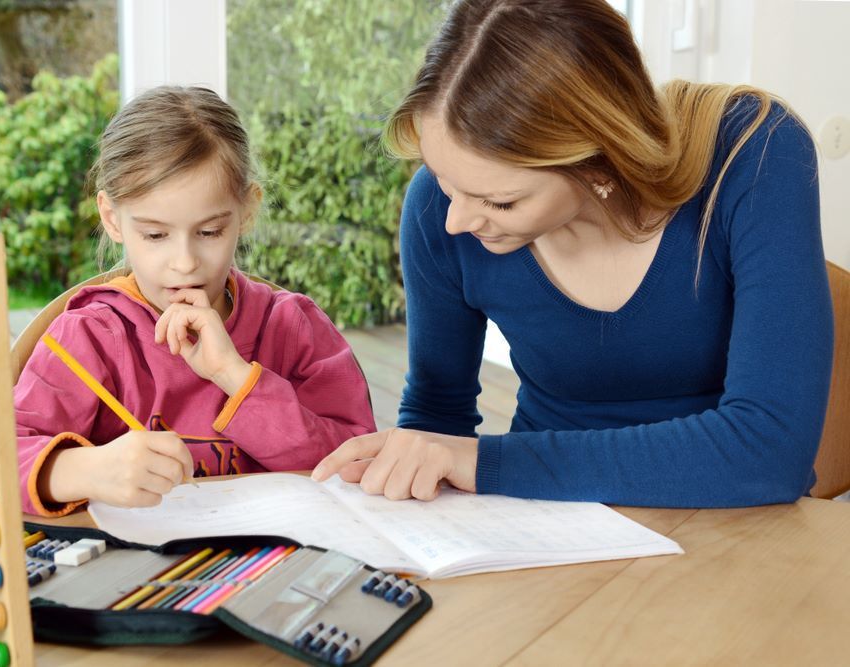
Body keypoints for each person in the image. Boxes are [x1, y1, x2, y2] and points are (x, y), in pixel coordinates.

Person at [312, 0, 834, 508]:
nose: (457, 221)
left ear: (600, 163)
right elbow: (436, 414)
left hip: (738, 525)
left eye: (500, 200)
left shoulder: (754, 151)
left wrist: (489, 464)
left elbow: (769, 450)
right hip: (547, 526)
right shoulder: (435, 208)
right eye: (446, 181)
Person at [0, 86, 376, 516]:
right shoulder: (90, 336)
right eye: (155, 235)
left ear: (246, 212)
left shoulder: (293, 328)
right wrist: (82, 470)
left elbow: (357, 463)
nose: (185, 263)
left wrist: (234, 376)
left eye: (209, 232)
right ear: (111, 218)